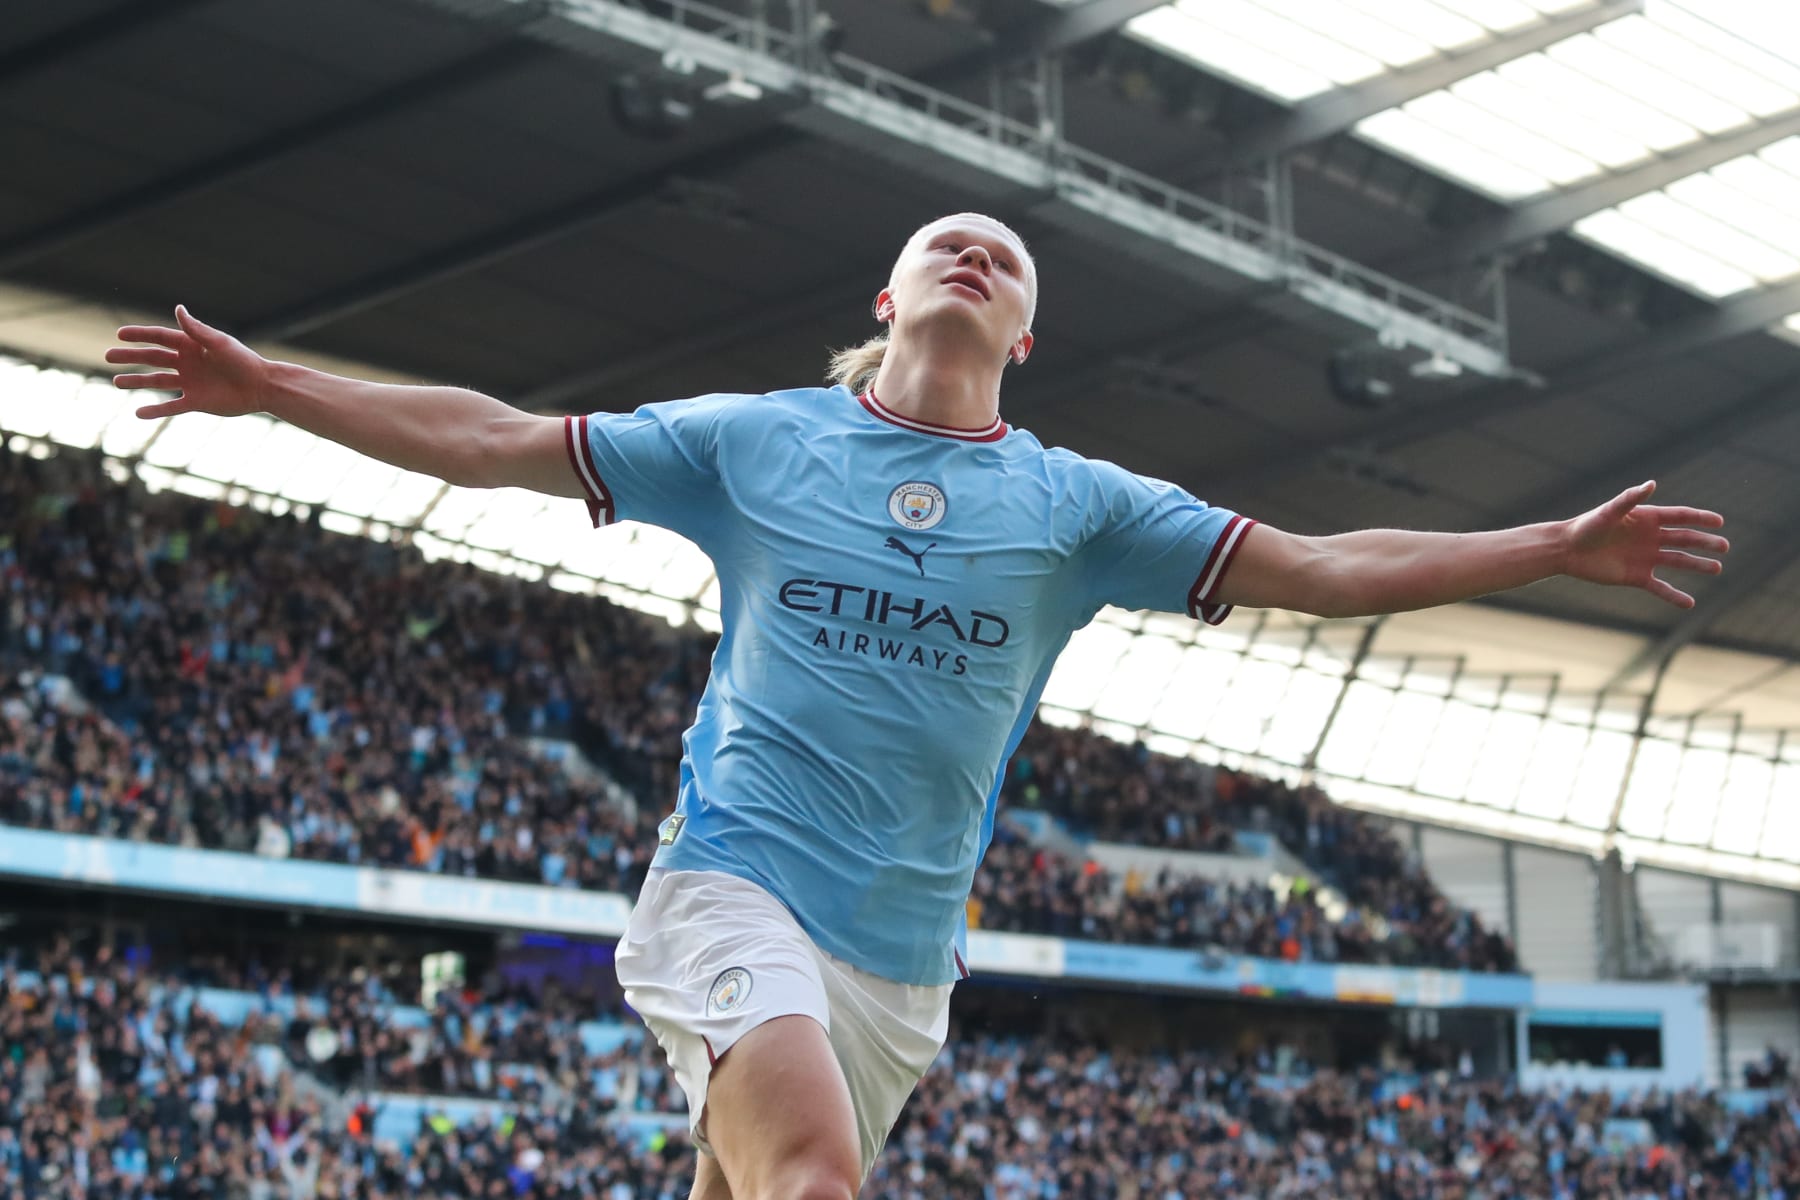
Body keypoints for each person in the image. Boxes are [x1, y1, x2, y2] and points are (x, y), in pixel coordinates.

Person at [108, 212, 1727, 1200]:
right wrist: (274, 388)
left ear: (1027, 330)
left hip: (901, 964)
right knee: (811, 1178)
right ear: (889, 302)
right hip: (735, 878)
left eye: (1005, 258)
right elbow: (492, 437)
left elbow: (1319, 561)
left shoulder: (1081, 506)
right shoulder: (755, 441)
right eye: (945, 244)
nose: (975, 255)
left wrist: (1554, 544)